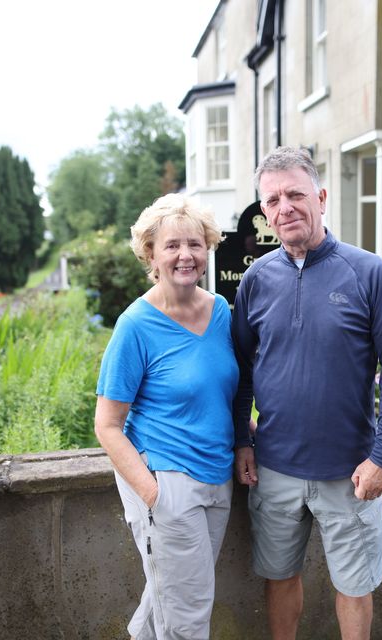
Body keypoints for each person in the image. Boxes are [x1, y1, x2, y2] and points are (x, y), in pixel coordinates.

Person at [232, 146, 382, 640]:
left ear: (322, 197)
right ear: (264, 212)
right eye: (272, 200)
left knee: (354, 586)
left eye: (295, 194)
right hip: (274, 468)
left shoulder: (367, 272)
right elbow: (241, 369)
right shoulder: (256, 279)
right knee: (279, 577)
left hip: (350, 471)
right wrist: (242, 441)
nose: (285, 207)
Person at [95, 194, 238, 640]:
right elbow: (107, 424)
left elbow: (225, 392)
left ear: (208, 249)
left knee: (172, 598)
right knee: (188, 612)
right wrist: (154, 494)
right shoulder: (135, 325)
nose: (185, 255)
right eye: (172, 245)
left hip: (218, 475)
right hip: (168, 477)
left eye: (195, 244)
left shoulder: (220, 312)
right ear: (151, 254)